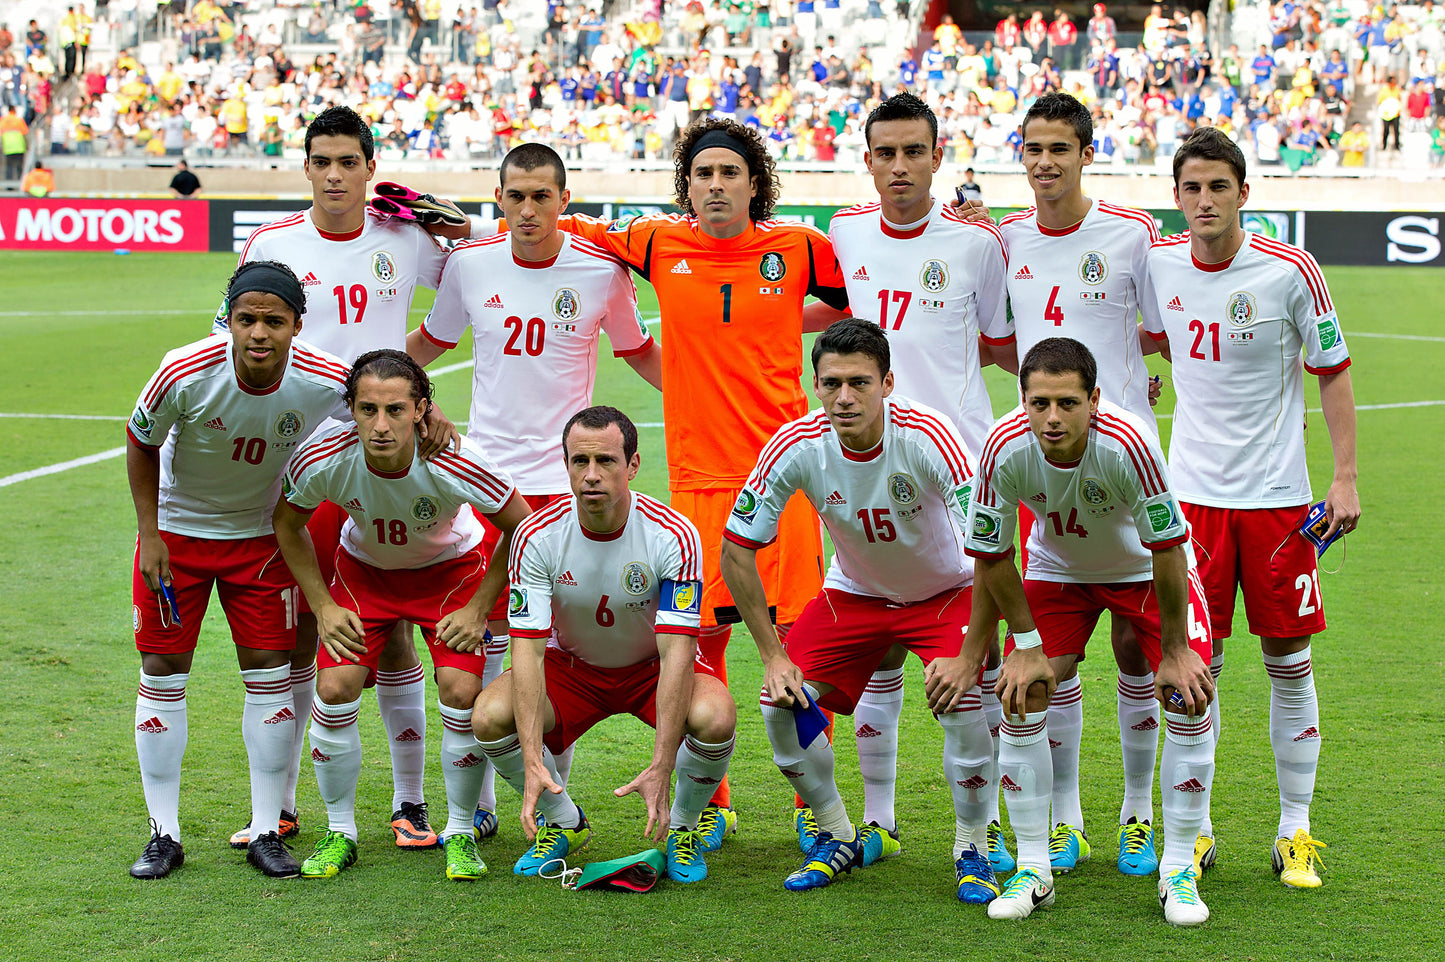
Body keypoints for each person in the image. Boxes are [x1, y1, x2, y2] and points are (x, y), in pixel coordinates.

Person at [549, 117, 850, 842]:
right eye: (702, 174)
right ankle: (706, 809)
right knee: (693, 654)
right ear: (686, 184)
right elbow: (571, 226)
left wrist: (778, 321)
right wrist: (492, 218)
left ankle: (816, 811)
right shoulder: (657, 242)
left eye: (729, 174)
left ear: (756, 185)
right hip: (697, 486)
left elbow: (841, 306)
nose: (715, 186)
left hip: (783, 486)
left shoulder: (801, 249)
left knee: (797, 652)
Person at [217, 105, 473, 853]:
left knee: (387, 633)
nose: (334, 174)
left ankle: (408, 802)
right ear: (306, 168)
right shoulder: (273, 243)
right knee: (300, 630)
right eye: (321, 161)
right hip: (299, 460)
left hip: (385, 454)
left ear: (370, 166)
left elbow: (460, 297)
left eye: (348, 162)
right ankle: (284, 800)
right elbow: (237, 336)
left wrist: (405, 388)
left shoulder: (404, 237)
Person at [407, 142, 662, 839]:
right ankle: (484, 807)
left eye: (540, 196)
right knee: (486, 647)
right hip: (483, 486)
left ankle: (554, 808)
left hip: (566, 489)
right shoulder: (468, 265)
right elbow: (430, 343)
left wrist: (703, 397)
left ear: (563, 201)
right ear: (498, 199)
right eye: (514, 196)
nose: (527, 210)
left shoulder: (601, 271)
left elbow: (637, 352)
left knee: (550, 655)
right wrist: (378, 393)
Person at [1141, 126, 1358, 889]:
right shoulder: (1158, 265)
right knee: (1196, 671)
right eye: (1191, 188)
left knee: (1288, 665)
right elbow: (1140, 339)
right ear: (1175, 198)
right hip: (1190, 505)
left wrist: (1345, 478)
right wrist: (1148, 381)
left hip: (1276, 503)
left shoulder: (1290, 270)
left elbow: (1330, 370)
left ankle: (1293, 830)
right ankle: (1193, 833)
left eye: (1218, 187)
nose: (1204, 201)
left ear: (1243, 194)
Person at [804, 91, 1011, 869]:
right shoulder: (845, 231)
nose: (899, 167)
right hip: (864, 461)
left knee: (972, 673)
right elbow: (824, 321)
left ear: (936, 156)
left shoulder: (976, 245)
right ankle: (878, 821)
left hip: (955, 471)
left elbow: (999, 343)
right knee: (877, 653)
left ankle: (979, 837)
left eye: (912, 152)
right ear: (867, 160)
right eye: (884, 153)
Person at [720, 319, 995, 898]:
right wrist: (773, 656)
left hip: (947, 592)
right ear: (814, 385)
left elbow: (992, 544)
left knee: (963, 702)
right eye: (831, 383)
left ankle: (974, 844)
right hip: (856, 594)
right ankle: (837, 832)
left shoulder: (928, 437)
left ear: (888, 383)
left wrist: (972, 652)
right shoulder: (797, 445)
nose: (844, 398)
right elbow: (735, 551)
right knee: (779, 702)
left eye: (860, 383)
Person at [961, 336, 1216, 925]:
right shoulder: (1002, 447)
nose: (1052, 418)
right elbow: (993, 554)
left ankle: (1177, 867)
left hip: (1144, 572)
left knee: (1187, 692)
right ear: (1021, 398)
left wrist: (1176, 649)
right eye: (1039, 402)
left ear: (1094, 399)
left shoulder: (1130, 444)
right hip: (1060, 572)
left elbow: (1169, 548)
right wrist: (1025, 647)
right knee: (1022, 694)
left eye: (1068, 403)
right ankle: (1033, 868)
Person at [985, 92, 1171, 880]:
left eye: (1059, 147)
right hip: (1049, 471)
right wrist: (1055, 408)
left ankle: (1136, 814)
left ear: (1085, 153)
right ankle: (1068, 822)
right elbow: (998, 345)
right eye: (1032, 148)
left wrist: (1123, 398)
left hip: (1127, 470)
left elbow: (1165, 332)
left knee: (1135, 648)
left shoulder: (1131, 234)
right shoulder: (1003, 239)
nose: (1045, 162)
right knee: (1045, 660)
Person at [126, 261, 352, 880]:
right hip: (178, 535)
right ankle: (163, 833)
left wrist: (432, 411)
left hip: (260, 542)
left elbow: (381, 397)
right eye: (245, 318)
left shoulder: (323, 377)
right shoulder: (183, 370)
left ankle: (265, 828)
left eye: (273, 320)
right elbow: (141, 441)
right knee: (164, 670)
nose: (258, 332)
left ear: (296, 326)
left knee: (270, 675)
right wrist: (149, 535)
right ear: (227, 320)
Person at [273, 350, 531, 881]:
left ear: (421, 411)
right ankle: (339, 832)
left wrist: (480, 606)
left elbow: (522, 526)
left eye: (395, 409)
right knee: (336, 687)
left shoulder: (456, 459)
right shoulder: (322, 458)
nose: (381, 425)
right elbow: (286, 523)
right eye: (367, 410)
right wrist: (322, 605)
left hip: (448, 574)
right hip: (365, 574)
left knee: (461, 692)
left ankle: (461, 832)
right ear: (351, 409)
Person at [472, 406, 737, 883]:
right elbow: (527, 651)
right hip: (572, 669)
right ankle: (565, 822)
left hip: (650, 670)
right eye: (579, 462)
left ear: (632, 465)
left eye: (607, 462)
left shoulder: (673, 534)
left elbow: (678, 651)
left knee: (715, 717)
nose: (591, 476)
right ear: (566, 463)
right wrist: (531, 759)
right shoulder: (535, 535)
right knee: (489, 715)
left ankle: (682, 827)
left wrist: (662, 764)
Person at [1, 104, 26, 181]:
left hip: (8, 147)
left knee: (9, 167)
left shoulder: (3, 120)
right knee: (19, 166)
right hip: (19, 147)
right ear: (14, 110)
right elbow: (25, 132)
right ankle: (20, 181)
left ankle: (9, 185)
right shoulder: (18, 120)